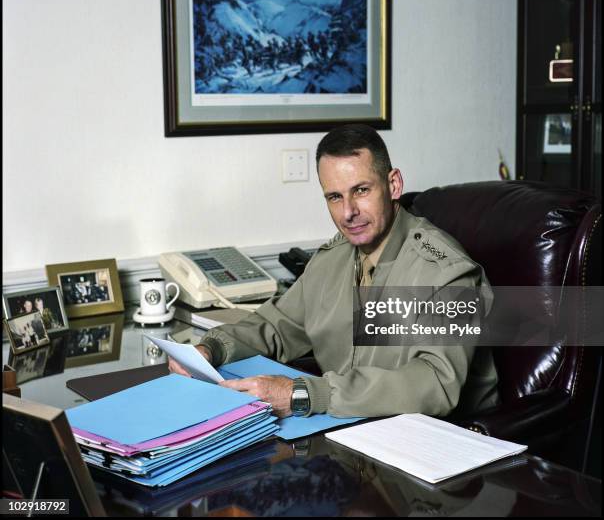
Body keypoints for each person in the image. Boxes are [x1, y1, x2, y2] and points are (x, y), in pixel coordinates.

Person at [169, 124, 499, 419]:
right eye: (334, 197)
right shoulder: (333, 259)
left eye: (361, 190)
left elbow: (436, 382)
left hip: (439, 446)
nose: (349, 212)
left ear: (394, 184)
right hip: (351, 435)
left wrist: (306, 394)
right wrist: (209, 349)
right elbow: (276, 326)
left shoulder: (445, 272)